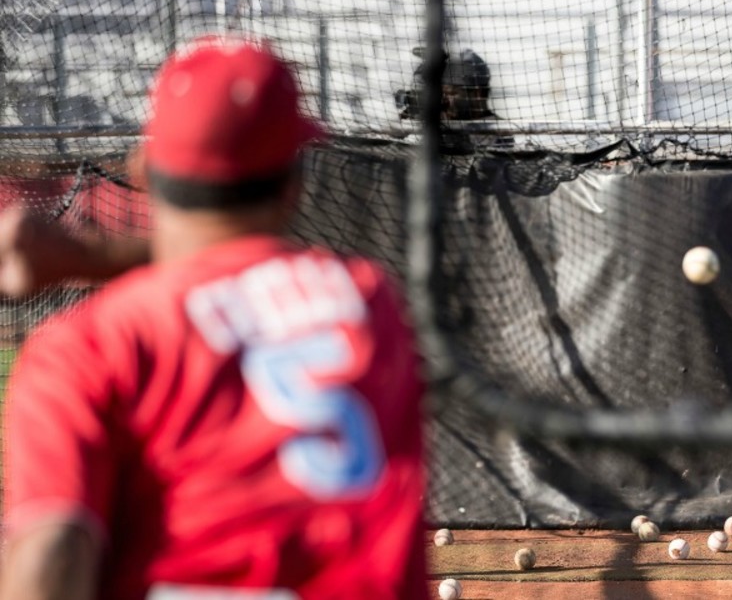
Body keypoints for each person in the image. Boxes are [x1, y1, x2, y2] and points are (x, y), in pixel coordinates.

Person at [0, 35, 428, 600]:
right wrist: (92, 256)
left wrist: (88, 255)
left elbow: (54, 546)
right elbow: (227, 266)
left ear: (143, 170)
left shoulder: (89, 343)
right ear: (293, 188)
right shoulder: (371, 304)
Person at [396, 47, 514, 155]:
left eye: (451, 94)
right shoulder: (442, 120)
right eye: (443, 94)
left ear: (477, 94)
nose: (444, 100)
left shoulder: (498, 130)